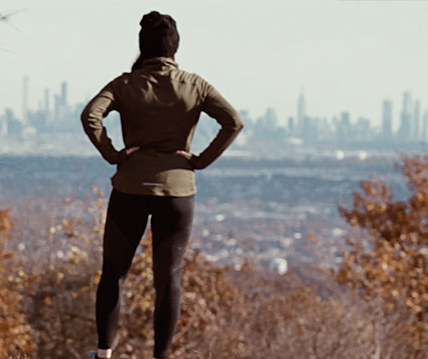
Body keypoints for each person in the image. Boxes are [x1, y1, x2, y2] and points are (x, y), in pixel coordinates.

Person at [81, 10, 243, 359]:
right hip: (178, 193)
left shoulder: (124, 84)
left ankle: (104, 354)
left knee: (114, 274)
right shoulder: (195, 85)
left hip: (129, 189)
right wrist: (199, 160)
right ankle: (161, 357)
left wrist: (113, 154)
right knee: (168, 279)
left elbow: (90, 115)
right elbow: (233, 122)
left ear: (143, 46)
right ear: (175, 48)